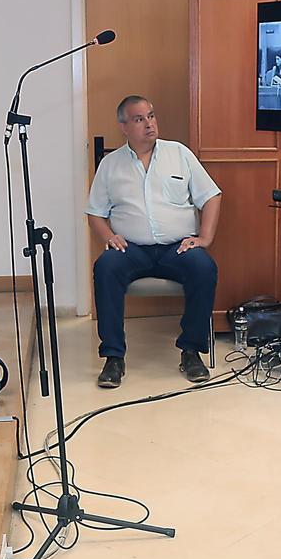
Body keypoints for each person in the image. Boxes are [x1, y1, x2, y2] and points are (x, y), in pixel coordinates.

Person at [87, 95, 221, 388]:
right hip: (131, 249)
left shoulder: (179, 154)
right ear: (124, 126)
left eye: (151, 116)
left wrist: (204, 238)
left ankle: (191, 351)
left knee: (203, 267)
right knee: (106, 267)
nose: (149, 124)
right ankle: (113, 358)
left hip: (178, 248)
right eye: (139, 119)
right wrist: (109, 237)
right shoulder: (110, 165)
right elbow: (95, 213)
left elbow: (210, 195)